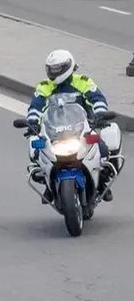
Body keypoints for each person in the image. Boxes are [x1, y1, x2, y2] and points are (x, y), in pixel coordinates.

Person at [26, 50, 119, 199]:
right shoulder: (44, 87)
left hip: (82, 129)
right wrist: (32, 122)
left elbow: (97, 98)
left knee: (103, 149)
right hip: (54, 131)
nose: (54, 72)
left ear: (68, 67)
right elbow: (35, 107)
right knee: (37, 151)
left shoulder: (82, 82)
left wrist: (101, 114)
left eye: (57, 68)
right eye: (51, 69)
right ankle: (48, 183)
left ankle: (102, 182)